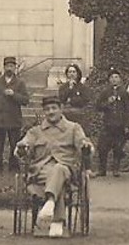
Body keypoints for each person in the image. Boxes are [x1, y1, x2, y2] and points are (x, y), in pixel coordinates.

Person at [15, 94, 93, 237]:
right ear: (44, 112)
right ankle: (57, 220)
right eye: (47, 109)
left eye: (54, 108)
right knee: (57, 179)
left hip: (66, 171)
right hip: (40, 173)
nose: (50, 112)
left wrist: (85, 146)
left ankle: (50, 204)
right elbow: (24, 144)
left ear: (61, 109)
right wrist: (22, 146)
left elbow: (83, 143)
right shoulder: (35, 131)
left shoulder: (73, 128)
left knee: (58, 169)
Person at [0, 56, 30, 174]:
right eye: (7, 66)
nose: (9, 68)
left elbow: (26, 100)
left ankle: (14, 167)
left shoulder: (20, 83)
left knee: (14, 145)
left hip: (14, 119)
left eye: (12, 66)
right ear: (4, 67)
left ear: (15, 68)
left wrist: (14, 94)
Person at [94, 68, 129, 176]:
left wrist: (127, 125)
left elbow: (127, 109)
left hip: (119, 125)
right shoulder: (105, 92)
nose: (114, 79)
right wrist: (107, 103)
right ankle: (102, 169)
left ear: (120, 79)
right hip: (108, 124)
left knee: (118, 147)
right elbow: (98, 106)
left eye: (116, 77)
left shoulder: (124, 92)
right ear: (109, 80)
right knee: (102, 147)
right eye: (112, 77)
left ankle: (116, 169)